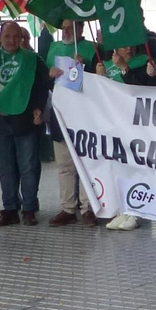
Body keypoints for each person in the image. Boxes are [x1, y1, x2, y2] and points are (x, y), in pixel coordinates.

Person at [0, 22, 49, 227]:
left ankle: (29, 208)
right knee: (5, 169)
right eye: (8, 36)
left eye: (17, 36)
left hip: (24, 119)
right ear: (0, 37)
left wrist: (38, 107)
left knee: (28, 166)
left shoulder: (32, 59)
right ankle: (9, 209)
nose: (12, 40)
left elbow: (43, 84)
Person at [45, 21, 98, 227]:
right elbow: (46, 82)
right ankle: (68, 208)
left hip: (85, 116)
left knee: (86, 164)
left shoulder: (92, 49)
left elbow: (100, 81)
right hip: (60, 114)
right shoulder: (53, 49)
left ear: (81, 28)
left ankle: (88, 208)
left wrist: (88, 67)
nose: (66, 31)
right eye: (64, 27)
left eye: (71, 27)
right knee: (64, 165)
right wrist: (49, 76)